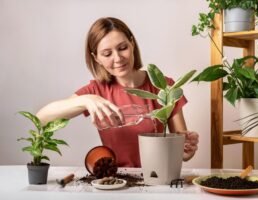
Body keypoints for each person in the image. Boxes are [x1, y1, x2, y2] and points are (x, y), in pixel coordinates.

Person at [36, 17, 199, 167]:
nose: (118, 58)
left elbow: (182, 152)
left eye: (122, 48)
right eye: (107, 54)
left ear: (132, 44)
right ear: (96, 58)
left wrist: (186, 150)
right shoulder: (97, 91)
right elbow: (41, 119)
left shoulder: (165, 87)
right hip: (116, 182)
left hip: (158, 178)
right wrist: (86, 100)